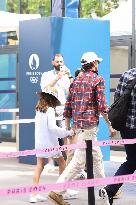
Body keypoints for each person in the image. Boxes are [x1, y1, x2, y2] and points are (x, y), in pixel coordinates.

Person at [48, 51, 116, 205]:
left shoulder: (76, 80)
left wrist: (67, 125)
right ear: (93, 64)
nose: (98, 64)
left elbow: (68, 105)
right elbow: (102, 106)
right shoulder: (97, 79)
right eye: (97, 62)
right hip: (89, 127)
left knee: (97, 157)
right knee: (78, 161)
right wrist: (110, 126)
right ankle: (57, 191)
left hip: (78, 126)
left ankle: (105, 189)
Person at [29, 86, 74, 203]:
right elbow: (53, 128)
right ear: (52, 98)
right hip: (50, 143)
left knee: (39, 166)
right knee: (62, 163)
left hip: (39, 142)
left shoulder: (38, 109)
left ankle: (33, 195)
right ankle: (60, 191)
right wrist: (67, 132)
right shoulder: (49, 110)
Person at [99, 67, 136, 205]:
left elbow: (117, 99)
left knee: (132, 161)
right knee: (132, 161)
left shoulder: (127, 74)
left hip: (126, 127)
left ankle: (110, 190)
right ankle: (110, 190)